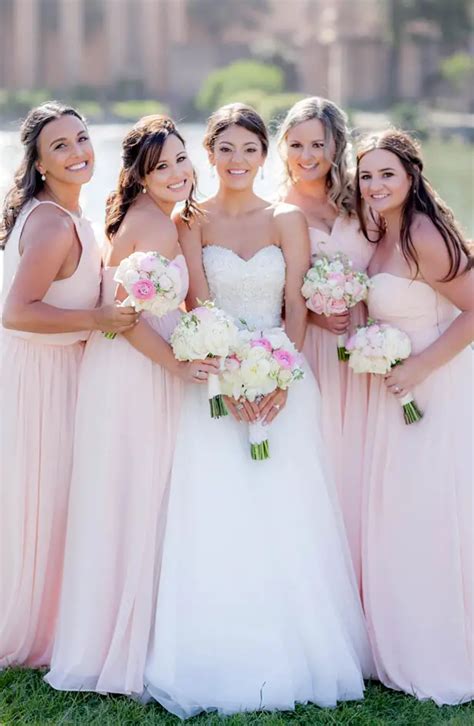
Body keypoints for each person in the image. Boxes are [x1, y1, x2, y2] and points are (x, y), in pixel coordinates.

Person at [143, 103, 374, 718]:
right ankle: (219, 651)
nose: (238, 161)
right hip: (216, 386)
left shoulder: (286, 219)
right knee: (219, 512)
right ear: (209, 154)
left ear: (262, 155)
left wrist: (279, 379)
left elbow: (297, 307)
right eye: (225, 150)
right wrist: (228, 378)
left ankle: (302, 649)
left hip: (285, 380)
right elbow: (196, 306)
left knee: (289, 513)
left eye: (249, 149)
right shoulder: (189, 219)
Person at [45, 116, 218, 695]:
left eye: (180, 160)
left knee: (131, 497)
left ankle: (129, 633)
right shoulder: (153, 225)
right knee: (134, 496)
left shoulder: (158, 220)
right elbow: (123, 321)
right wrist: (178, 364)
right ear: (140, 176)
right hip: (134, 369)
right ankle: (121, 643)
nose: (175, 173)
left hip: (134, 365)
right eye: (160, 165)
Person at [0, 102, 137, 668]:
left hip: (64, 368)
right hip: (40, 375)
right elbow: (17, 312)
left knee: (60, 500)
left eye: (82, 138)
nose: (79, 151)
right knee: (40, 499)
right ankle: (29, 625)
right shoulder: (53, 223)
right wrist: (97, 322)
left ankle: (59, 615)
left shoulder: (73, 214)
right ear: (37, 160)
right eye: (60, 145)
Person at [356, 128, 473, 704]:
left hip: (432, 387)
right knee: (399, 512)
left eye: (387, 175)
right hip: (395, 388)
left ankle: (442, 648)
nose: (376, 185)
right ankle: (398, 639)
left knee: (430, 512)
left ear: (411, 178)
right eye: (367, 175)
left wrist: (422, 366)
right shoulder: (382, 231)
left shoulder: (424, 232)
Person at [277, 97, 374, 586]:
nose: (307, 155)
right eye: (296, 144)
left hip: (370, 346)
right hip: (315, 349)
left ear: (337, 145)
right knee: (326, 459)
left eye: (318, 143)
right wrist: (313, 318)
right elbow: (271, 294)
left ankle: (371, 574)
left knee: (367, 460)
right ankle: (329, 584)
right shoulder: (277, 210)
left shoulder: (365, 198)